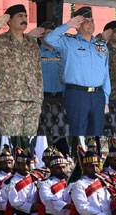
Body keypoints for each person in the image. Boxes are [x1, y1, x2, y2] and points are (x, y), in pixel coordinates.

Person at [44, 7, 110, 136]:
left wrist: (106, 100)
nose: (90, 24)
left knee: (97, 132)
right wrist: (68, 25)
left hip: (98, 95)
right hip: (77, 94)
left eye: (92, 20)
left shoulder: (101, 45)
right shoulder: (67, 41)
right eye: (86, 21)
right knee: (78, 131)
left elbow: (105, 74)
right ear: (77, 25)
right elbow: (49, 39)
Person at [0, 4, 44, 136]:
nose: (24, 19)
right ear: (9, 21)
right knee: (13, 142)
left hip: (32, 101)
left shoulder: (31, 42)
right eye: (20, 16)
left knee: (28, 143)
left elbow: (38, 70)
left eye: (26, 16)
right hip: (10, 100)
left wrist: (39, 97)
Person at [38, 21, 64, 100]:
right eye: (49, 33)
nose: (52, 37)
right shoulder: (35, 52)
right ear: (40, 37)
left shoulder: (64, 52)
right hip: (42, 96)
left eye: (54, 34)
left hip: (62, 95)